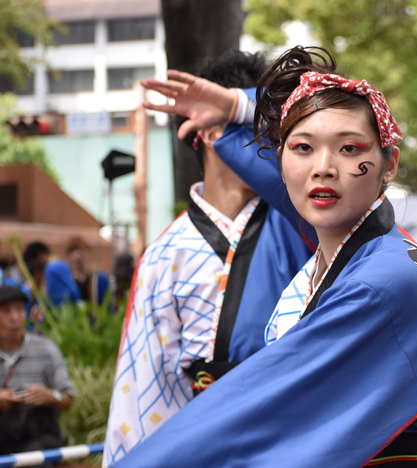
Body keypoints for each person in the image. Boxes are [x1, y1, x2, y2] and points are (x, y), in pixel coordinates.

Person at [113, 46, 417, 468]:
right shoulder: (353, 253)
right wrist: (235, 106)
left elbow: (259, 401)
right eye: (303, 149)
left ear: (388, 165)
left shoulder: (382, 279)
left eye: (350, 149)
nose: (323, 167)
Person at [102, 50, 312, 466]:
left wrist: (239, 104)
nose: (278, 140)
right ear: (212, 132)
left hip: (306, 434)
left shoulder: (309, 217)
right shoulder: (166, 254)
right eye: (264, 125)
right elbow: (145, 387)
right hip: (214, 446)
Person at [0, 286, 73, 463]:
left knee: (37, 456)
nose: (15, 318)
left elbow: (68, 399)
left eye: (19, 310)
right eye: (6, 311)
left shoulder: (46, 349)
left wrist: (50, 395)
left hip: (38, 437)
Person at [22, 242, 80, 322]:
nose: (35, 271)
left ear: (41, 256)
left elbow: (55, 301)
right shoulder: (60, 264)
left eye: (35, 267)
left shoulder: (52, 269)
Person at [65, 236, 109, 305]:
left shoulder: (97, 278)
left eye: (81, 251)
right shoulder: (67, 278)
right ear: (69, 255)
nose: (78, 256)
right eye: (73, 252)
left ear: (88, 253)